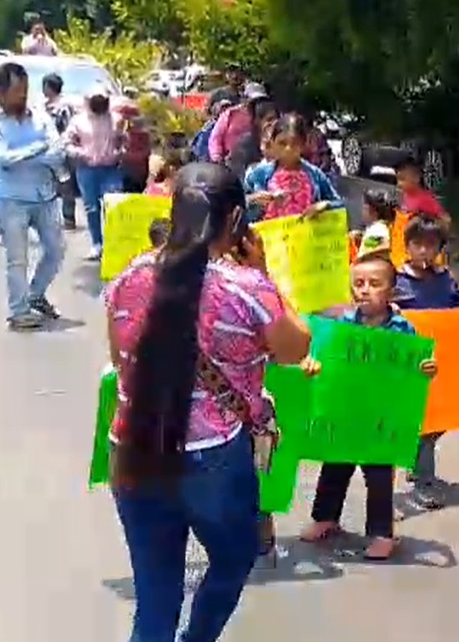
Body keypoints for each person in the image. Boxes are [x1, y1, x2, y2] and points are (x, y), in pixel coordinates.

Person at [104, 162, 312, 641]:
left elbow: (120, 358)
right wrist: (264, 272)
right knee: (233, 559)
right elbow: (296, 348)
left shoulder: (129, 276)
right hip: (211, 458)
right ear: (236, 218)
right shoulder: (248, 287)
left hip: (133, 447)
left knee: (155, 599)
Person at [300, 251, 438, 559]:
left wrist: (427, 368)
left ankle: (381, 534)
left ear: (392, 291)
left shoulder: (402, 329)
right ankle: (325, 517)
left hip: (381, 416)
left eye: (374, 283)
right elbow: (321, 358)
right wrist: (312, 364)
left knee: (378, 477)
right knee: (335, 466)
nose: (364, 289)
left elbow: (417, 366)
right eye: (358, 283)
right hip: (345, 412)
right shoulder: (343, 325)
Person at [394, 215, 459, 509]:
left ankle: (417, 464)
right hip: (406, 367)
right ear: (407, 247)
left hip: (440, 366)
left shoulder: (445, 280)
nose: (424, 252)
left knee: (436, 423)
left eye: (430, 246)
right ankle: (424, 482)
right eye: (417, 245)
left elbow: (458, 302)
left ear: (439, 249)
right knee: (425, 426)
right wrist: (390, 308)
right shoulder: (396, 280)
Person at [0, 63, 66, 330]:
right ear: (0, 92)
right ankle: (19, 311)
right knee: (17, 258)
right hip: (12, 199)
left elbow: (57, 152)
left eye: (25, 90)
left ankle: (35, 294)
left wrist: (25, 155)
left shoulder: (40, 117)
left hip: (44, 196)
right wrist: (38, 149)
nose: (22, 96)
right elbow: (2, 158)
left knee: (56, 250)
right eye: (16, 91)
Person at [243, 113, 343, 221]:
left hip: (305, 235)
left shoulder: (315, 175)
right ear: (272, 143)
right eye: (282, 143)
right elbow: (235, 206)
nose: (288, 149)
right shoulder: (258, 175)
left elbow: (340, 204)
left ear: (303, 145)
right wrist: (252, 199)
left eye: (294, 143)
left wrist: (325, 205)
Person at [64, 85, 125, 261]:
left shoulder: (116, 119)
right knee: (92, 208)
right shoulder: (78, 121)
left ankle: (113, 243)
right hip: (87, 169)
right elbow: (66, 143)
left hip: (110, 169)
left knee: (113, 205)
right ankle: (97, 243)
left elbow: (123, 140)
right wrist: (81, 154)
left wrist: (119, 152)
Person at [42, 73, 77, 229]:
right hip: (45, 151)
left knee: (65, 184)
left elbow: (69, 127)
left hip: (60, 150)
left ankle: (68, 218)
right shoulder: (43, 106)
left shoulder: (64, 106)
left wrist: (62, 145)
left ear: (49, 87)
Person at [208, 83, 269, 165]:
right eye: (253, 100)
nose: (256, 103)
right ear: (245, 99)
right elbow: (216, 137)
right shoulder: (230, 114)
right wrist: (217, 156)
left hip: (259, 160)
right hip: (229, 161)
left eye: (260, 100)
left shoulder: (268, 115)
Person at [395, 156, 450, 228]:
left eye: (402, 179)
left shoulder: (425, 199)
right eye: (398, 179)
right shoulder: (404, 196)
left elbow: (445, 219)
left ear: (416, 178)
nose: (399, 184)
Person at [350, 188, 397, 259]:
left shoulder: (376, 233)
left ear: (369, 209)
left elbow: (364, 257)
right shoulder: (383, 227)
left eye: (363, 208)